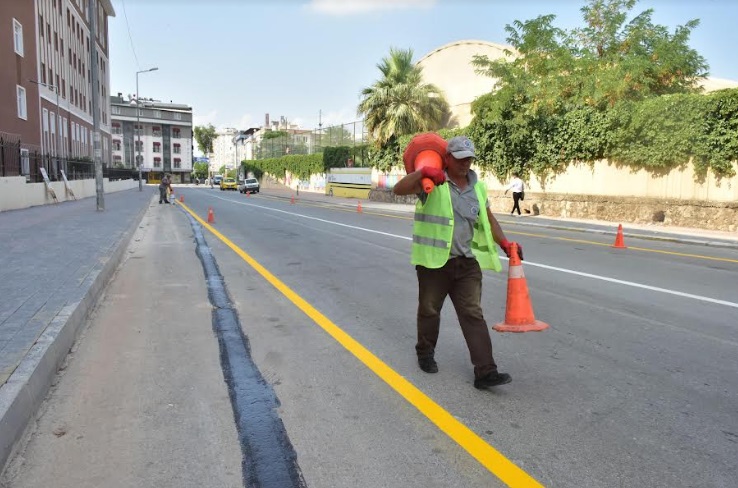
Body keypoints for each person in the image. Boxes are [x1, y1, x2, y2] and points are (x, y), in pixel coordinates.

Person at [393, 135, 523, 389]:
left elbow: (488, 218)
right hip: (434, 264)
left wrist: (505, 243)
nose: (465, 164)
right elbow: (398, 189)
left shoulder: (478, 187)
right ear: (448, 158)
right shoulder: (433, 181)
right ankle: (425, 353)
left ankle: (486, 371)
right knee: (430, 310)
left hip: (466, 264)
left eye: (469, 159)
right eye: (460, 159)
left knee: (473, 314)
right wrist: (423, 173)